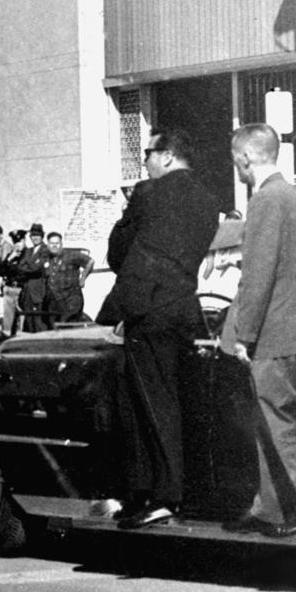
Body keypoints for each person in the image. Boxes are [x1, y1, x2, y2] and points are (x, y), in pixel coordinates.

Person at [110, 127, 223, 530]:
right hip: (183, 308)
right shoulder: (210, 201)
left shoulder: (146, 194)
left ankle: (160, 495)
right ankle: (168, 490)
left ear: (168, 156)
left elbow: (116, 249)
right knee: (176, 400)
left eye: (148, 154)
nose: (146, 162)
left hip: (147, 309)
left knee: (148, 403)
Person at [222, 123, 296, 537]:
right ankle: (273, 509)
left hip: (271, 334)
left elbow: (258, 275)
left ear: (245, 157)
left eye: (236, 163)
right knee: (270, 421)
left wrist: (243, 335)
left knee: (277, 423)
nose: (238, 171)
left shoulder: (265, 201)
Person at [43, 232, 94, 324]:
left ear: (61, 244)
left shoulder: (71, 255)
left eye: (57, 243)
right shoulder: (47, 258)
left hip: (71, 299)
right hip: (55, 301)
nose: (54, 246)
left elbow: (90, 261)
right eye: (51, 243)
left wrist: (83, 278)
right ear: (48, 245)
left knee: (68, 326)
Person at [16, 223, 50, 331]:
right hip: (27, 293)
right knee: (29, 322)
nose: (35, 238)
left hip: (38, 292)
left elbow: (36, 268)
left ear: (42, 236)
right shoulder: (28, 251)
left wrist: (27, 265)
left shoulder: (46, 250)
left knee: (39, 322)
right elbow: (20, 267)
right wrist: (30, 265)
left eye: (37, 235)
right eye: (33, 235)